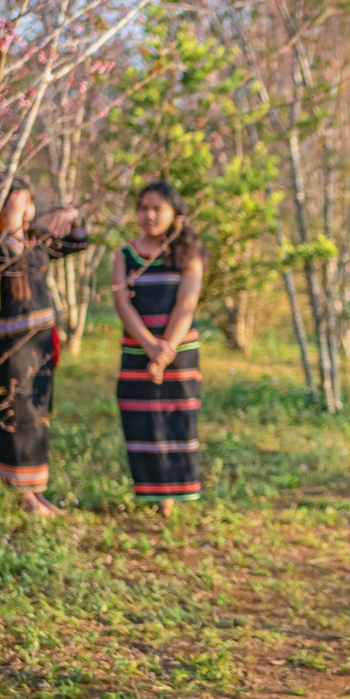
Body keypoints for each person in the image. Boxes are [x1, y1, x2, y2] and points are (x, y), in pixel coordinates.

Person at [0, 176, 88, 516]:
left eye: (28, 203)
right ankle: (22, 494)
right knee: (16, 417)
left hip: (40, 348)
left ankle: (35, 491)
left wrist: (72, 218)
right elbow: (6, 265)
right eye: (17, 204)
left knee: (37, 418)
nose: (26, 211)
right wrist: (12, 226)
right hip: (11, 350)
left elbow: (77, 243)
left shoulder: (35, 243)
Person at [112, 180, 207, 518]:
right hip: (137, 349)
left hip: (180, 354)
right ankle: (152, 492)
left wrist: (165, 350)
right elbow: (123, 304)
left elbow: (186, 305)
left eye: (157, 209)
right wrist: (150, 346)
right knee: (143, 421)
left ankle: (174, 494)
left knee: (175, 419)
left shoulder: (189, 253)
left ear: (175, 214)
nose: (148, 215)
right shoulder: (124, 254)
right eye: (143, 208)